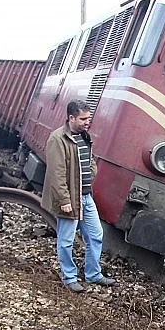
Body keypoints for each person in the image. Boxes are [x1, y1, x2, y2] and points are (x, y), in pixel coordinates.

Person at [40, 100, 115, 293]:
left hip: (85, 197)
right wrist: (64, 200)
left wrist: (92, 172)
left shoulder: (83, 136)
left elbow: (88, 159)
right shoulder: (57, 139)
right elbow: (56, 173)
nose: (86, 122)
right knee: (66, 240)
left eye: (88, 118)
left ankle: (93, 274)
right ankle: (69, 277)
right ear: (71, 117)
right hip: (70, 199)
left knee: (96, 235)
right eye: (83, 118)